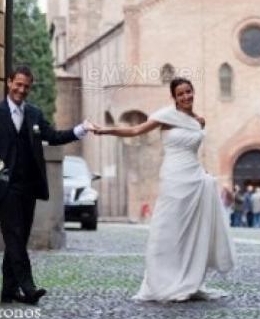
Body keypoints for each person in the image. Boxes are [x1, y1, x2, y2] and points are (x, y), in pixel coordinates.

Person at [94, 77, 235, 302]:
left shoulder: (200, 121)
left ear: (193, 92)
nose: (186, 97)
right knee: (168, 229)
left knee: (192, 233)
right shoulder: (166, 117)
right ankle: (163, 280)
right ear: (174, 97)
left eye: (188, 92)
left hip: (195, 179)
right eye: (181, 94)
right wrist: (105, 131)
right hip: (173, 178)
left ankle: (190, 279)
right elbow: (136, 130)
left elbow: (195, 152)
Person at [0, 66, 93, 306]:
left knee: (18, 237)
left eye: (26, 86)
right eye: (18, 84)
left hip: (28, 186)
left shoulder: (35, 114)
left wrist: (81, 129)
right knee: (14, 236)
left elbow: (53, 136)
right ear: (9, 83)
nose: (21, 90)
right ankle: (28, 288)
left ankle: (8, 292)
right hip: (4, 185)